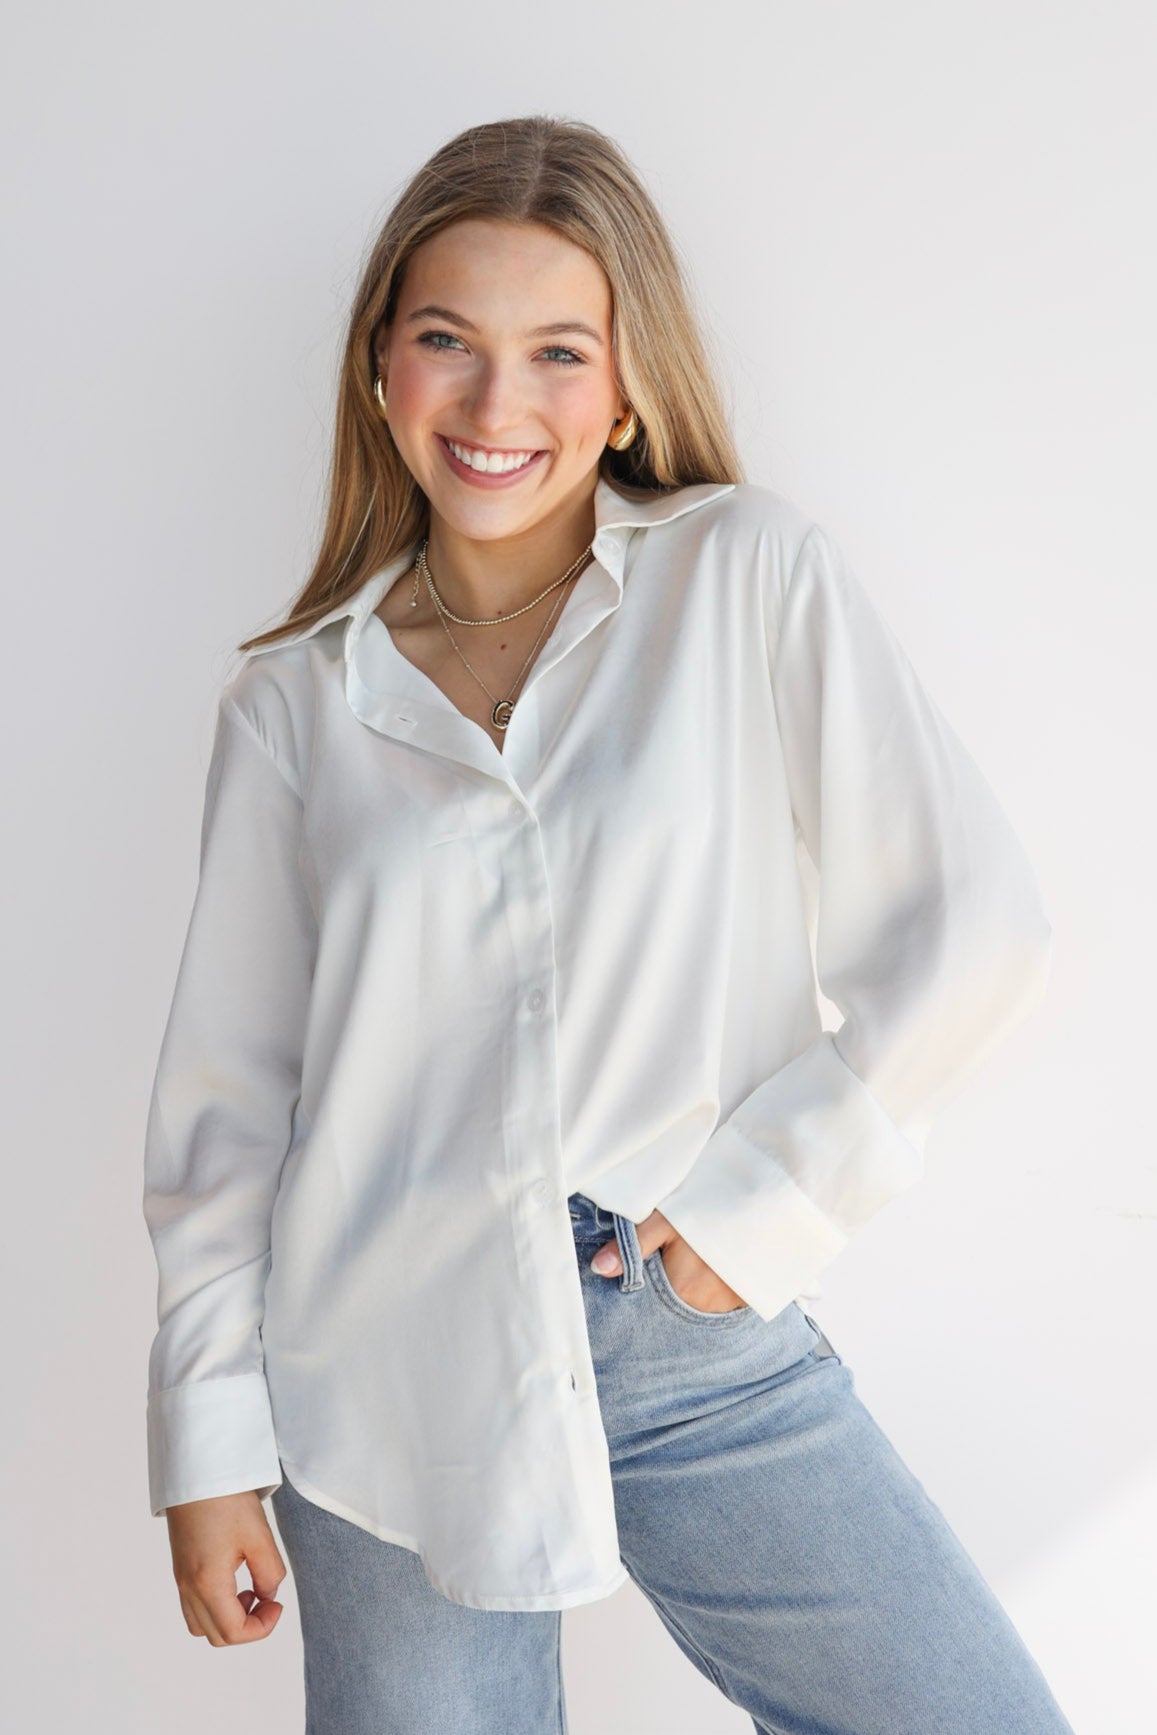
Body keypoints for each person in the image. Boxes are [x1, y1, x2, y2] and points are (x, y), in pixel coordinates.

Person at [142, 115, 1076, 1732]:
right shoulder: (293, 706)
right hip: (380, 1382)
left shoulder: (745, 576)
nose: (497, 406)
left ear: (628, 382)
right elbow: (231, 1117)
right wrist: (207, 1448)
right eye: (448, 342)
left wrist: (753, 1215)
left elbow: (975, 926)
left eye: (556, 352)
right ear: (381, 370)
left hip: (687, 1328)